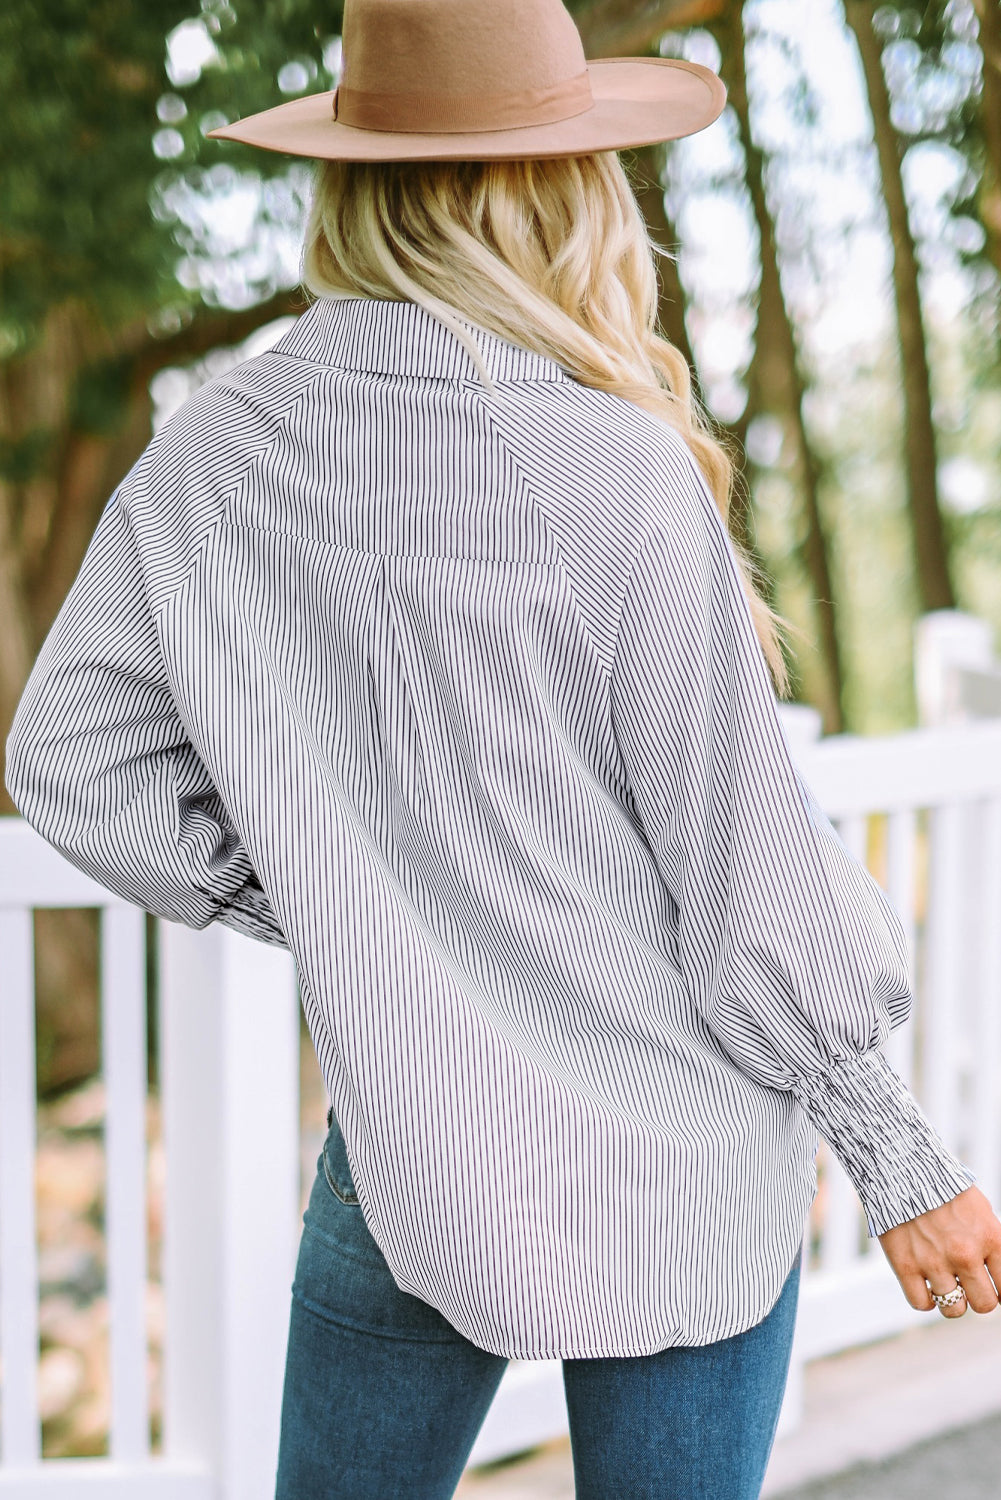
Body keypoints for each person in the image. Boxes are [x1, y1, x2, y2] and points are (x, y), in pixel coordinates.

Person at [6, 0, 1000, 1496]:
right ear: (555, 189)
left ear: (354, 184)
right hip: (679, 1162)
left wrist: (349, 899)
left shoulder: (217, 449)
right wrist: (901, 1162)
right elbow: (743, 868)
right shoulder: (615, 466)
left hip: (416, 1151)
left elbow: (76, 764)